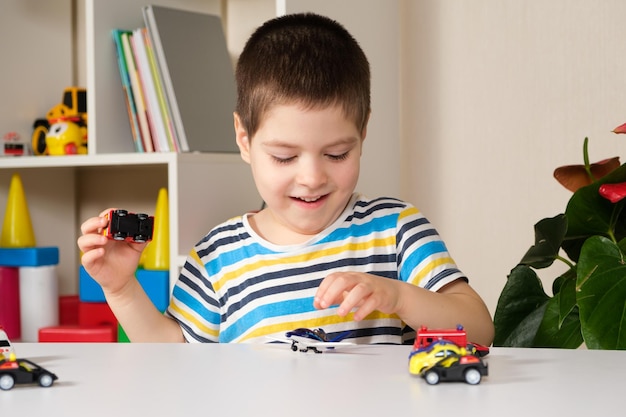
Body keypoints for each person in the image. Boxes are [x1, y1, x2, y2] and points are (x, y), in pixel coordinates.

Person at [77, 13, 494, 346]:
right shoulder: (218, 257)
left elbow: (480, 329)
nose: (311, 178)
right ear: (244, 139)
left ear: (363, 132)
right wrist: (121, 289)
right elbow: (177, 357)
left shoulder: (396, 230)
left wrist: (401, 297)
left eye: (337, 154)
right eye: (284, 156)